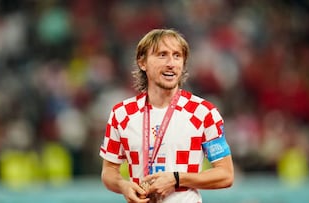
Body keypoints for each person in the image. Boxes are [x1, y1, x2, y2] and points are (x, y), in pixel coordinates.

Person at [99, 28, 234, 203]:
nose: (171, 63)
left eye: (177, 56)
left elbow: (226, 175)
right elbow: (109, 171)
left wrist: (177, 179)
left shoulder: (203, 112)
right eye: (162, 55)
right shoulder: (122, 114)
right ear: (142, 62)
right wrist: (123, 186)